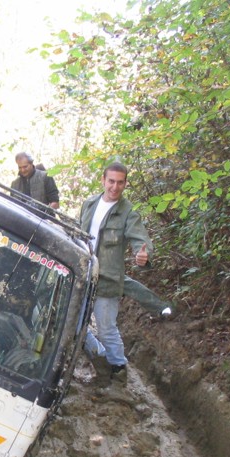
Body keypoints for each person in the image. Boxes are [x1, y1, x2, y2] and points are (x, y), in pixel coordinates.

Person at [80, 161, 154, 388]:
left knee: (106, 328)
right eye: (111, 181)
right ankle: (100, 361)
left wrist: (144, 255)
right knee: (74, 324)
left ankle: (118, 370)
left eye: (120, 182)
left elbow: (141, 241)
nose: (114, 187)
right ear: (103, 180)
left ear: (125, 184)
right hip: (82, 274)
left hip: (108, 280)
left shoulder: (128, 213)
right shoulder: (89, 203)